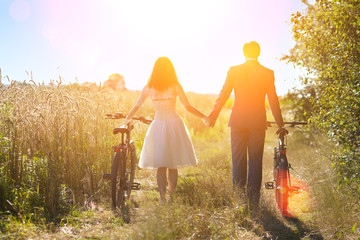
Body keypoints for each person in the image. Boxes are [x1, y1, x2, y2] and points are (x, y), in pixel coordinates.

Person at [206, 41, 285, 209]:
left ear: (244, 53)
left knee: (238, 159)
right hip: (257, 122)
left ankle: (239, 199)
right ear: (259, 52)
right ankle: (253, 201)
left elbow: (224, 94)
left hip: (238, 121)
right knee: (255, 160)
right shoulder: (267, 73)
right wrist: (280, 123)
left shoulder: (234, 71)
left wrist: (213, 115)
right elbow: (273, 99)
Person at [125, 57, 208, 203]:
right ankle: (171, 196)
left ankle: (162, 198)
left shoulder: (149, 87)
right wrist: (204, 117)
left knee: (161, 165)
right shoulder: (175, 86)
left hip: (158, 126)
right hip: (174, 125)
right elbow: (187, 106)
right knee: (172, 164)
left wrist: (127, 118)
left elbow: (137, 105)